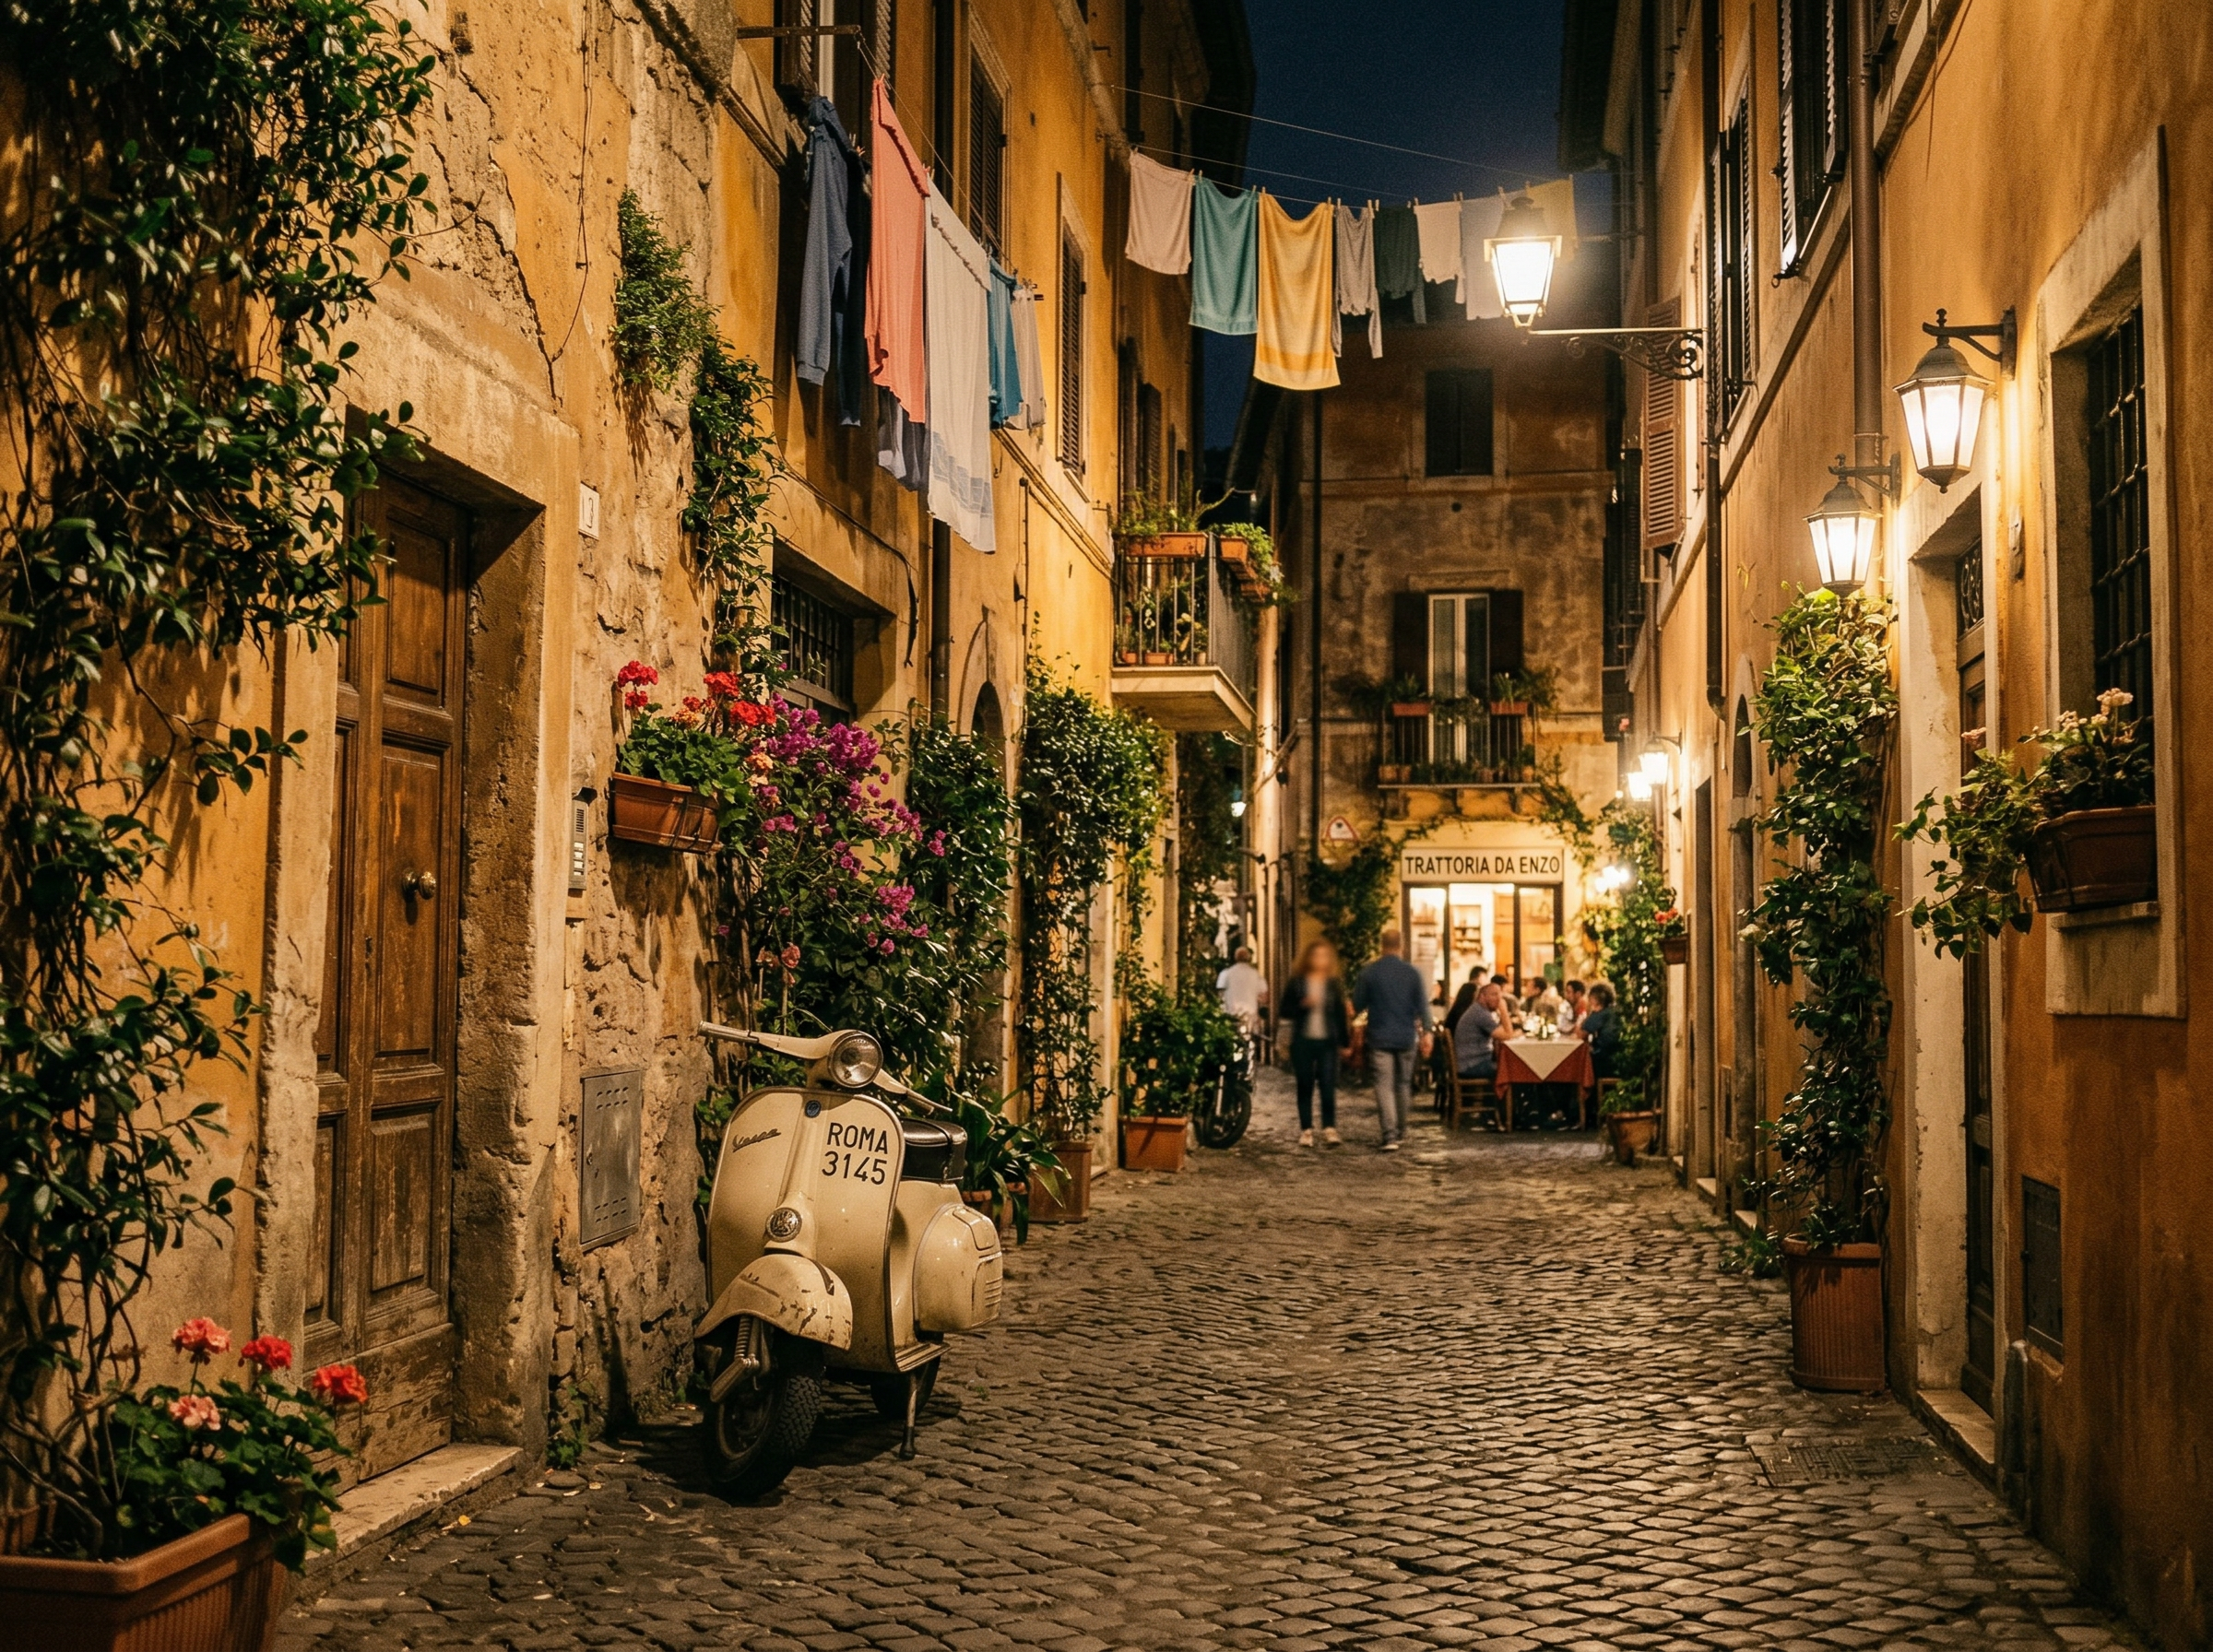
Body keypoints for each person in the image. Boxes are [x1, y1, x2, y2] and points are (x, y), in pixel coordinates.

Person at [1352, 927, 1434, 1151]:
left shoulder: (1369, 973)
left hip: (1379, 1037)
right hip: (1407, 1037)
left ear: (1381, 945)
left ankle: (1389, 1136)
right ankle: (1401, 1131)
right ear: (1402, 946)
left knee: (1383, 1085)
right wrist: (1428, 1032)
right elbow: (1423, 1007)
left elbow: (1358, 1003)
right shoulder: (1413, 973)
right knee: (1403, 1084)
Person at [1277, 941, 1351, 1148]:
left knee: (1328, 1084)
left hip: (1327, 1042)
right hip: (1303, 1041)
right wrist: (1303, 1005)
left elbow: (1339, 1014)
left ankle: (1329, 1128)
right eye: (1316, 955)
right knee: (1305, 1084)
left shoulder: (1333, 984)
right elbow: (1284, 1010)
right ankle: (1306, 1130)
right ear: (1308, 958)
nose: (1320, 960)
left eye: (1324, 956)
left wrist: (1344, 1043)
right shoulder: (1298, 983)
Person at [1453, 978, 1505, 1085]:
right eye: (1494, 995)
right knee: (1509, 1071)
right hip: (1472, 1065)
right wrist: (1504, 1010)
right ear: (1482, 996)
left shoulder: (1478, 1010)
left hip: (1470, 1063)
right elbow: (1507, 1036)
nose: (1499, 999)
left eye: (1500, 995)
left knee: (1508, 1068)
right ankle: (1510, 1102)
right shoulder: (1480, 1013)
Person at [1216, 945, 1268, 1032]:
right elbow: (1264, 995)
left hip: (1231, 1015)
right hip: (1250, 1016)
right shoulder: (1256, 975)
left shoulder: (1226, 974)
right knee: (1252, 1037)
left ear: (1235, 958)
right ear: (1249, 958)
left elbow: (1220, 994)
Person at [1580, 981, 1623, 1079]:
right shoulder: (1616, 1010)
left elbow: (1582, 1033)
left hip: (1604, 1058)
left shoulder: (1600, 1013)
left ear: (1594, 999)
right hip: (1617, 1056)